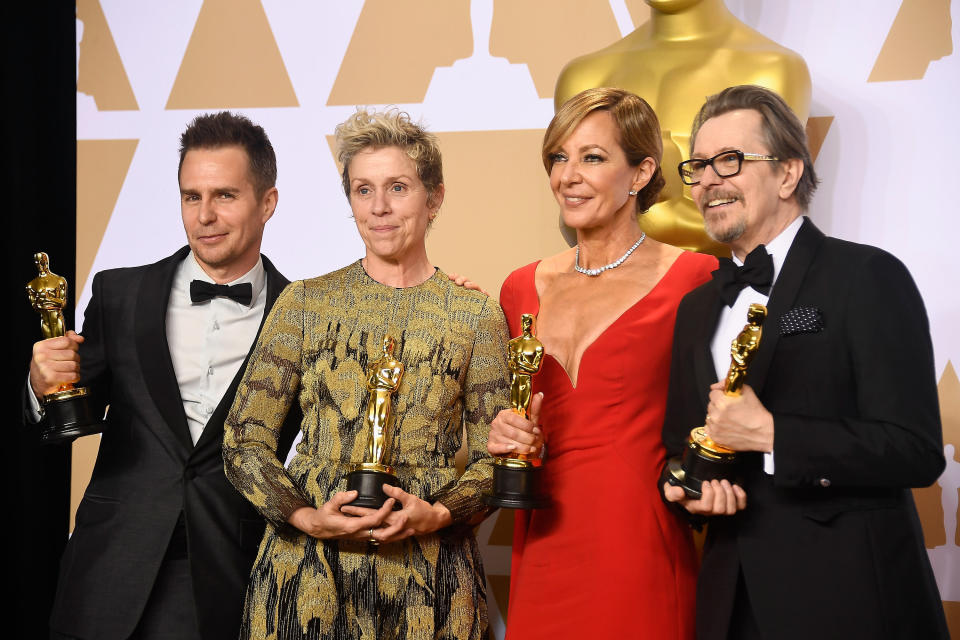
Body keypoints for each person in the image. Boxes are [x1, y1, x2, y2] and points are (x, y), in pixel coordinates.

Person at [660, 84, 948, 639]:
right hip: (730, 602)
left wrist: (774, 435)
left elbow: (915, 450)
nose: (708, 181)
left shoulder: (866, 276)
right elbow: (679, 448)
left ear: (789, 175)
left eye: (730, 161)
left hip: (848, 601)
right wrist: (685, 489)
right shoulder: (696, 307)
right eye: (697, 166)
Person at [223, 107, 510, 640]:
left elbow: (499, 457)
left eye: (398, 187)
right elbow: (243, 442)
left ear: (435, 197)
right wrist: (307, 517)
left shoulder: (476, 316)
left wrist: (440, 514)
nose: (379, 208)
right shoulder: (304, 303)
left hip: (431, 578)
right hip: (306, 573)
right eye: (363, 189)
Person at [25, 111, 300, 640]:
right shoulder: (118, 294)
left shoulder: (306, 315)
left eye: (225, 195)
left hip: (228, 571)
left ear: (267, 203)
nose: (205, 216)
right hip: (109, 567)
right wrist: (41, 387)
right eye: (191, 196)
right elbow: (72, 407)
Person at [486, 87, 717, 639]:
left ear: (640, 172)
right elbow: (507, 415)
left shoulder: (694, 278)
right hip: (543, 539)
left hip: (639, 538)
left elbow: (719, 421)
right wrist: (501, 431)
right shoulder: (520, 286)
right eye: (558, 158)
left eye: (592, 157)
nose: (568, 175)